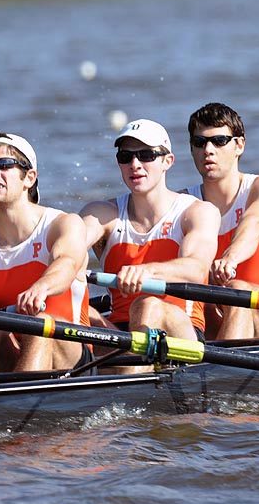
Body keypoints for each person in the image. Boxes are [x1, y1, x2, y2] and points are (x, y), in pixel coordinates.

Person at [80, 118, 219, 341]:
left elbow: (197, 268)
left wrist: (147, 271)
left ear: (168, 161)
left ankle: (131, 371)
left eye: (146, 155)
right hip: (119, 336)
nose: (135, 164)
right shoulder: (102, 213)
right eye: (126, 157)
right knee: (71, 314)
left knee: (147, 305)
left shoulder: (196, 212)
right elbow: (70, 247)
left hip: (180, 331)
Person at [183, 102, 259, 339]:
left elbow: (254, 224)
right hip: (215, 318)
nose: (208, 149)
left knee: (235, 290)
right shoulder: (184, 204)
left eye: (219, 141)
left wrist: (230, 258)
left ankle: (223, 376)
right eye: (200, 142)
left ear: (239, 145)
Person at [0, 132, 91, 372]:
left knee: (39, 324)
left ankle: (17, 405)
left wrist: (41, 287)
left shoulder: (61, 224)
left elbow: (67, 263)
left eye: (4, 165)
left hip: (72, 353)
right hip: (15, 349)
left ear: (29, 177)